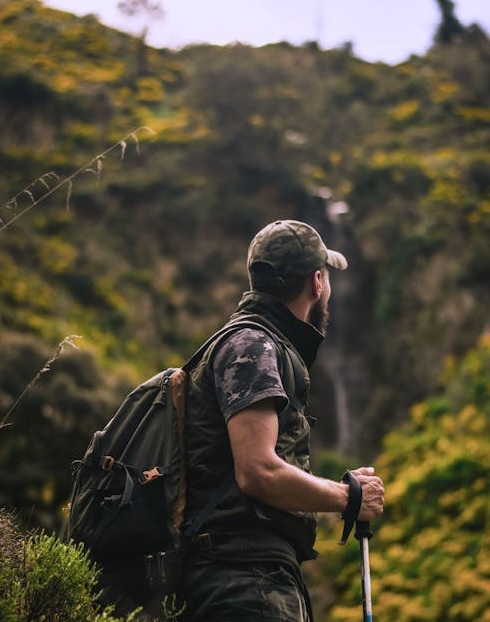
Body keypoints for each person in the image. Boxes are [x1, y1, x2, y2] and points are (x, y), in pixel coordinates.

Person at [181, 219, 384, 622]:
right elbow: (257, 472)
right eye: (325, 275)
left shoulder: (257, 343)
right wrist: (349, 498)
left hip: (251, 576)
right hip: (244, 583)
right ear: (317, 282)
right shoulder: (253, 345)